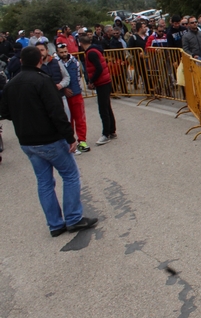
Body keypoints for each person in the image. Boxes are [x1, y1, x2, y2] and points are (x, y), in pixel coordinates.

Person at [0, 46, 98, 236]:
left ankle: (55, 224)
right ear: (40, 60)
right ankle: (73, 218)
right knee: (70, 175)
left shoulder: (11, 84)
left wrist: (23, 118)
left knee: (44, 182)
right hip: (49, 139)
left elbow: (5, 112)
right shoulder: (43, 81)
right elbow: (56, 112)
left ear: (20, 61)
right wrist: (70, 137)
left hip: (27, 142)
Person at [80, 34, 116, 145]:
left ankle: (106, 134)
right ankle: (111, 130)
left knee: (103, 109)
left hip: (102, 82)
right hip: (105, 81)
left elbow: (99, 68)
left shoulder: (91, 53)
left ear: (81, 44)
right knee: (107, 107)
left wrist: (92, 81)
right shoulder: (95, 50)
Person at [57, 43, 90, 153]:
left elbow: (78, 77)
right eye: (61, 52)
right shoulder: (56, 63)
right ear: (57, 52)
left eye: (65, 51)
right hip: (64, 96)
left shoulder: (75, 61)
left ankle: (82, 140)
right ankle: (70, 141)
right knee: (67, 120)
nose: (64, 54)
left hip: (76, 94)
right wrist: (64, 89)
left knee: (80, 119)